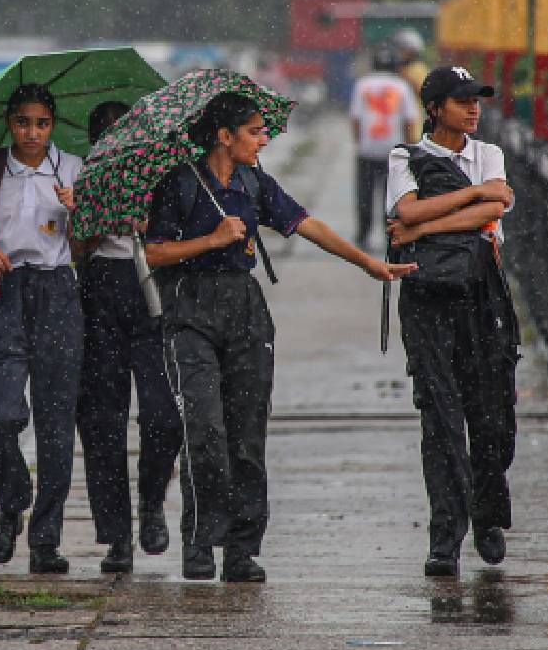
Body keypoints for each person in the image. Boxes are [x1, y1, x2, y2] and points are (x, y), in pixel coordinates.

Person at [145, 93, 415, 582]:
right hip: (191, 314)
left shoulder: (253, 182)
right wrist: (212, 240)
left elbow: (305, 222)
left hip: (246, 312)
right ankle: (201, 540)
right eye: (254, 131)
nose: (263, 139)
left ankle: (243, 549)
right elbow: (156, 254)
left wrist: (366, 262)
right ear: (224, 136)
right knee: (204, 431)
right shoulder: (179, 184)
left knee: (247, 435)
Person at [385, 65, 519, 578]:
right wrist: (472, 198)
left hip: (483, 295)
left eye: (477, 99)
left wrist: (430, 216)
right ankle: (446, 536)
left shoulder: (489, 154)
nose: (473, 108)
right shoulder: (406, 157)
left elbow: (494, 208)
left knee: (494, 417)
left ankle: (488, 514)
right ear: (434, 107)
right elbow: (405, 211)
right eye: (461, 100)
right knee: (441, 419)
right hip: (428, 297)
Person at [0, 83, 84, 574]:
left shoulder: (71, 168)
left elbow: (88, 242)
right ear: (9, 123)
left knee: (55, 425)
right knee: (4, 415)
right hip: (6, 293)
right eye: (23, 122)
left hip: (58, 294)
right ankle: (10, 507)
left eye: (42, 123)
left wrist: (81, 210)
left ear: (53, 125)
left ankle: (46, 538)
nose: (32, 133)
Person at [74, 101, 182, 574]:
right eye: (107, 139)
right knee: (102, 422)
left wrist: (148, 226)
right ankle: (116, 534)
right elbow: (71, 249)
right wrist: (92, 224)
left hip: (151, 297)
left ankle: (152, 501)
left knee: (163, 414)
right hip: (99, 295)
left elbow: (178, 240)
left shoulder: (162, 177)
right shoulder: (83, 180)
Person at [349, 46, 421, 249]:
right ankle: (391, 235)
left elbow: (355, 118)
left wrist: (358, 141)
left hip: (367, 149)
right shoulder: (402, 86)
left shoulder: (362, 85)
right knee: (392, 196)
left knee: (365, 194)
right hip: (394, 149)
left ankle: (363, 234)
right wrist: (409, 147)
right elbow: (409, 119)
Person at [393, 28, 430, 142]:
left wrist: (406, 80)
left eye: (402, 49)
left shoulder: (418, 69)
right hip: (396, 128)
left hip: (412, 128)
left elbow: (426, 94)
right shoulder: (399, 69)